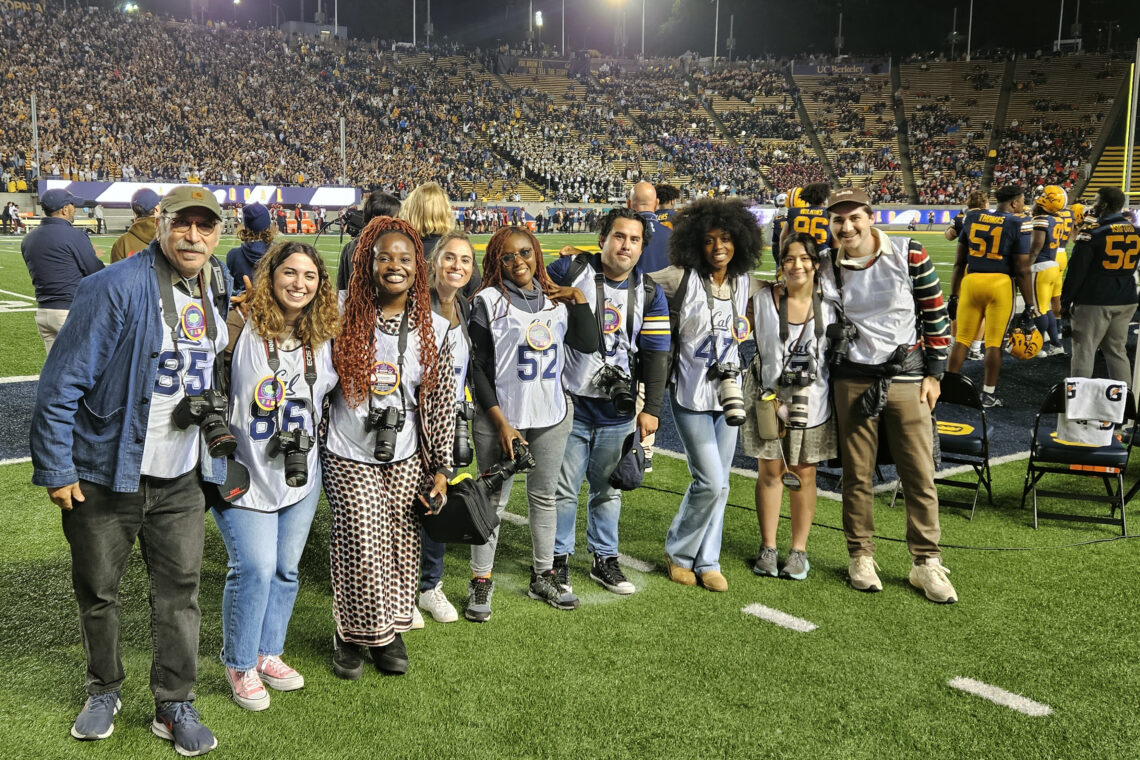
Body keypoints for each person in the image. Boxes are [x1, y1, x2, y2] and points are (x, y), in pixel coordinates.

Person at [30, 185, 230, 755]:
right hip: (104, 471)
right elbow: (60, 382)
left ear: (219, 232)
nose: (194, 236)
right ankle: (103, 688)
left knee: (181, 595)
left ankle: (174, 701)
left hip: (182, 476)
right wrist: (56, 466)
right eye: (183, 224)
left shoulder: (214, 284)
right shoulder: (112, 285)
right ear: (161, 224)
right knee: (99, 590)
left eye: (205, 226)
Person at [323, 217, 455, 679]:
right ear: (367, 263)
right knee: (361, 541)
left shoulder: (434, 328)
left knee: (400, 545)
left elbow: (440, 402)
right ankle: (354, 636)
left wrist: (441, 466)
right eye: (384, 258)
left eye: (404, 258)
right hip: (346, 448)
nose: (394, 266)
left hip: (405, 454)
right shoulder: (338, 313)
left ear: (418, 267)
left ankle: (387, 631)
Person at [213, 241, 340, 711]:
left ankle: (268, 653)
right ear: (271, 275)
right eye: (289, 273)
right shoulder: (242, 322)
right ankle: (239, 662)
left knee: (286, 570)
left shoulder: (323, 334)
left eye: (310, 276)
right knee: (256, 568)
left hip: (300, 473)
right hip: (244, 470)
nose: (299, 284)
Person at [823, 187, 957, 604]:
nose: (847, 227)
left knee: (918, 473)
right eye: (838, 220)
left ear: (871, 217)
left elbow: (935, 313)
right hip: (853, 379)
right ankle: (860, 555)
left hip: (907, 377)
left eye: (854, 218)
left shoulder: (909, 252)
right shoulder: (827, 263)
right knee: (857, 475)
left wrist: (936, 374)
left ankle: (926, 562)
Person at [466, 226, 599, 621]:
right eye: (508, 257)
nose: (518, 262)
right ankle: (481, 580)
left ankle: (544, 574)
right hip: (500, 418)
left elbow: (590, 344)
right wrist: (502, 423)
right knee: (492, 499)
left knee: (546, 498)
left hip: (552, 415)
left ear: (537, 253)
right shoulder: (488, 301)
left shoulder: (558, 302)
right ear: (496, 262)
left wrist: (578, 299)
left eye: (525, 252)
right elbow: (478, 370)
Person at [549, 208, 670, 595]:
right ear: (603, 238)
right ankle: (557, 560)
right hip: (570, 401)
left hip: (617, 408)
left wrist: (651, 409)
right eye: (619, 236)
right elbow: (528, 276)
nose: (626, 245)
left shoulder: (650, 292)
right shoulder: (571, 270)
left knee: (608, 489)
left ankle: (605, 558)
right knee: (564, 489)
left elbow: (656, 353)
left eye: (634, 240)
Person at [651, 198, 761, 593]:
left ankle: (708, 559)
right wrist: (587, 260)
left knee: (724, 482)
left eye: (727, 239)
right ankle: (679, 552)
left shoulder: (744, 280)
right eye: (710, 240)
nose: (719, 247)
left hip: (729, 393)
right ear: (695, 242)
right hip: (689, 391)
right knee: (710, 481)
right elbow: (636, 281)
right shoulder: (680, 277)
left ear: (741, 241)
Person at [743, 233, 837, 581]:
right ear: (780, 264)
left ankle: (798, 551)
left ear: (816, 263)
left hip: (813, 403)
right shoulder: (762, 298)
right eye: (789, 259)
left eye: (804, 258)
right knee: (769, 473)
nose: (796, 265)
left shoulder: (831, 304)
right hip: (770, 401)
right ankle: (768, 547)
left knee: (803, 474)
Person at [415, 231, 478, 626]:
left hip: (451, 418)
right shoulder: (418, 306)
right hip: (416, 416)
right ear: (434, 262)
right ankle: (403, 589)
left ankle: (429, 586)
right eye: (450, 258)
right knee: (407, 506)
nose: (457, 266)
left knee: (439, 498)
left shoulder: (466, 308)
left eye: (466, 261)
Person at [945, 185, 1034, 408]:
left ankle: (949, 390)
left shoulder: (972, 217)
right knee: (994, 344)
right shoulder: (1018, 222)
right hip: (1000, 284)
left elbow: (959, 262)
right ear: (1014, 203)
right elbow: (1022, 269)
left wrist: (953, 295)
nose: (1023, 205)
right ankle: (988, 394)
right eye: (1022, 201)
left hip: (971, 282)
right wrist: (1030, 305)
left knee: (961, 340)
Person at [1061, 187, 1140, 383]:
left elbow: (1076, 271)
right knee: (1117, 351)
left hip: (1094, 299)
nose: (1093, 205)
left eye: (1096, 201)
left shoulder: (1092, 232)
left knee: (1084, 351)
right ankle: (1123, 405)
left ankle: (1079, 408)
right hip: (1126, 297)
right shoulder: (1137, 231)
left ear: (1104, 205)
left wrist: (1065, 301)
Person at [21, 189, 104, 355]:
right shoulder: (74, 235)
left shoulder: (28, 238)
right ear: (65, 209)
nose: (75, 209)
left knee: (56, 372)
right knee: (82, 370)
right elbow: (96, 273)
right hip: (68, 311)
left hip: (44, 311)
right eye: (72, 206)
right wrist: (93, 256)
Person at [399, 181, 482, 297]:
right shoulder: (459, 250)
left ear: (411, 211)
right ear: (445, 212)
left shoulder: (399, 249)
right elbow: (476, 296)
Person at [1027, 185, 1068, 357]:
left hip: (1040, 267)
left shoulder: (1042, 219)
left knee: (1038, 310)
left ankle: (1038, 346)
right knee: (1046, 308)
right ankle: (1056, 345)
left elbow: (1036, 247)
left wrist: (1024, 266)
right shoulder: (1058, 219)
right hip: (1052, 265)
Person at [336, 191, 401, 291]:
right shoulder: (356, 247)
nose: (398, 223)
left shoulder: (352, 246)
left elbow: (342, 290)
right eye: (395, 218)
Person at [225, 203, 276, 295]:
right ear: (268, 225)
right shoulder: (280, 251)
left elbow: (234, 285)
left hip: (245, 305)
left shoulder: (233, 255)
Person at [780, 183, 834, 252]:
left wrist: (783, 253)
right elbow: (835, 239)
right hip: (821, 253)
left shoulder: (793, 212)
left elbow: (783, 236)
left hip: (799, 253)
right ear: (824, 197)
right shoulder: (829, 213)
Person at [111, 188, 161, 262]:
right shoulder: (173, 236)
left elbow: (116, 272)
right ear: (156, 209)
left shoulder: (121, 243)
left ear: (135, 213)